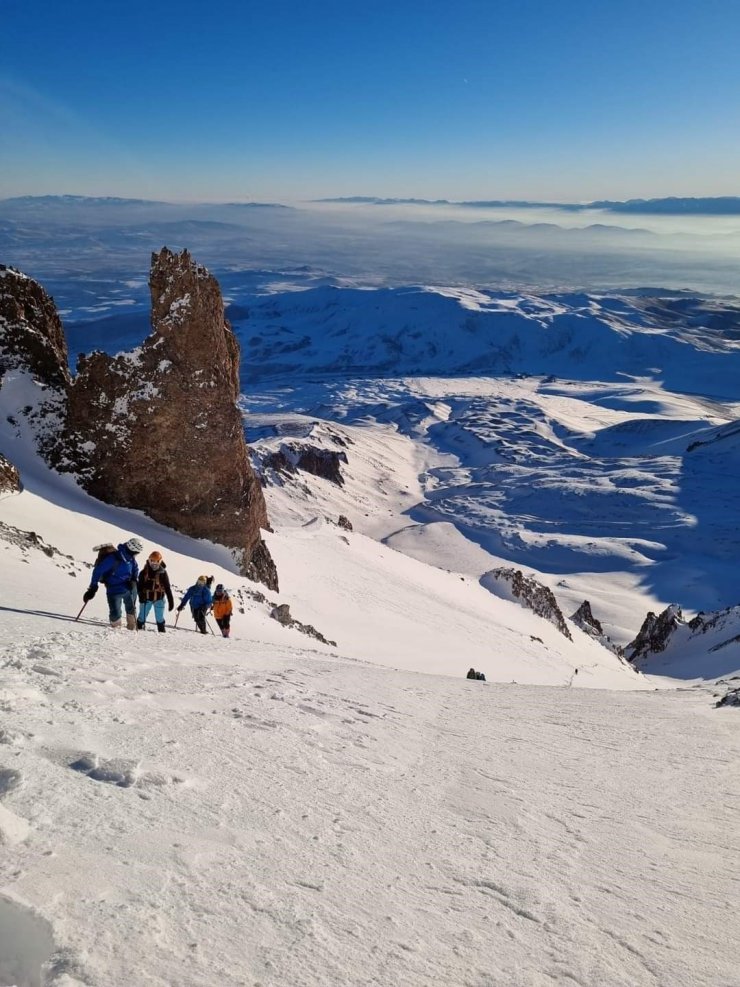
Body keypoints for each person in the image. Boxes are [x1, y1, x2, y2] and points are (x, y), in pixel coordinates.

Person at [83, 537, 143, 629]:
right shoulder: (113, 558)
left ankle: (132, 629)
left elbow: (135, 569)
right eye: (136, 553)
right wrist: (93, 588)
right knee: (115, 616)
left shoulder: (131, 559)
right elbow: (98, 571)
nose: (136, 555)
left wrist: (134, 580)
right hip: (114, 589)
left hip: (129, 588)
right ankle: (116, 630)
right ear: (133, 551)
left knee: (131, 609)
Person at [136, 550, 174, 632]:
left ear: (160, 562)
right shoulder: (144, 572)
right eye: (152, 562)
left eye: (156, 563)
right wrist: (140, 595)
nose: (154, 565)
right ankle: (138, 628)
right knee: (142, 616)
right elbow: (139, 586)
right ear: (149, 560)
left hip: (159, 599)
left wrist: (171, 601)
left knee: (160, 618)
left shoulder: (163, 573)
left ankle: (161, 631)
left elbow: (167, 587)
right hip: (146, 598)